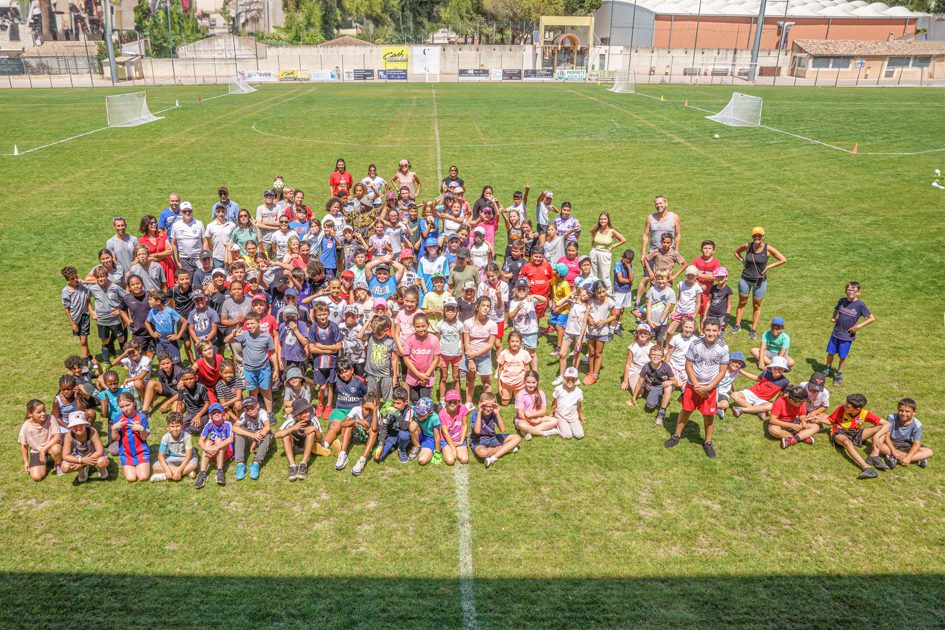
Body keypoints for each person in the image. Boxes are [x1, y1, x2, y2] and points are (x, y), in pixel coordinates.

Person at [664, 317, 729, 459]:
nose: (710, 333)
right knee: (686, 410)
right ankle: (676, 436)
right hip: (693, 385)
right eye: (708, 330)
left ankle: (708, 442)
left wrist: (709, 387)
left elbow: (723, 371)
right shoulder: (695, 344)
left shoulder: (723, 347)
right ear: (703, 330)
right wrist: (696, 385)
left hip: (711, 388)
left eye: (714, 330)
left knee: (708, 415)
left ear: (719, 332)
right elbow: (688, 365)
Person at [732, 226, 788, 339]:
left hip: (759, 281)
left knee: (756, 305)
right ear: (752, 236)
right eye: (754, 235)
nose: (757, 237)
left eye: (759, 235)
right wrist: (742, 260)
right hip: (745, 279)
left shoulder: (768, 248)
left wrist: (769, 267)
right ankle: (737, 325)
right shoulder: (747, 246)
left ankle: (753, 329)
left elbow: (783, 259)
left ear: (763, 236)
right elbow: (736, 252)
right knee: (742, 302)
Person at [823, 393, 890, 479]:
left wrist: (876, 437)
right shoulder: (841, 408)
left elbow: (887, 424)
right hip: (839, 432)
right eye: (846, 404)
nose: (845, 406)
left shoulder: (865, 413)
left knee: (881, 428)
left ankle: (874, 456)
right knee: (847, 442)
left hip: (855, 433)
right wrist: (819, 419)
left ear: (858, 409)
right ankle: (867, 468)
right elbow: (831, 420)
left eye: (848, 406)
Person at [824, 281, 875, 387]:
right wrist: (834, 317)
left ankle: (838, 375)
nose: (850, 291)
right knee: (830, 352)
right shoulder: (842, 300)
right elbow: (836, 309)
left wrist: (858, 327)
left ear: (859, 292)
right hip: (836, 333)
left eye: (853, 290)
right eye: (848, 289)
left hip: (847, 336)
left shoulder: (860, 305)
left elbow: (872, 318)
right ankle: (827, 369)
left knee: (842, 356)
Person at [226, 312, 279, 414]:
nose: (250, 326)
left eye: (252, 323)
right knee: (252, 391)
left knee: (266, 391)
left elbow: (273, 353)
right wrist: (232, 335)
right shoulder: (243, 335)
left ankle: (269, 412)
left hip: (264, 369)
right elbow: (226, 340)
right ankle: (255, 411)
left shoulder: (267, 336)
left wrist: (276, 370)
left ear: (259, 322)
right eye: (248, 324)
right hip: (249, 370)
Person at [275, 398, 329, 481]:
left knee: (311, 433)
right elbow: (276, 435)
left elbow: (320, 439)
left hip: (307, 446)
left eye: (308, 411)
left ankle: (303, 464)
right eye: (304, 412)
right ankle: (292, 465)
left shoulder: (313, 419)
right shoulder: (292, 420)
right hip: (294, 446)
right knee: (285, 436)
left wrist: (315, 429)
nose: (308, 414)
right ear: (297, 414)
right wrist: (293, 428)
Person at [88, 264, 128, 365]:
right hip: (101, 320)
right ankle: (106, 362)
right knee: (104, 340)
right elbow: (87, 300)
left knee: (121, 338)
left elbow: (127, 298)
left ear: (106, 276)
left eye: (102, 276)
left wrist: (119, 310)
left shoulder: (114, 287)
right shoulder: (93, 289)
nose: (101, 279)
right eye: (98, 277)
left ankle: (124, 361)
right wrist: (92, 312)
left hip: (115, 319)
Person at [730, 355, 791, 419]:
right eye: (775, 367)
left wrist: (776, 407)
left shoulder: (785, 382)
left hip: (762, 400)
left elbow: (780, 396)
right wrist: (742, 372)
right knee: (734, 395)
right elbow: (757, 378)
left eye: (780, 368)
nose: (777, 370)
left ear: (784, 369)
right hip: (751, 393)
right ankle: (758, 410)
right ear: (772, 367)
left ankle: (742, 409)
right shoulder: (766, 372)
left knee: (771, 406)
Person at [462, 296, 498, 406]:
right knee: (470, 379)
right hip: (470, 355)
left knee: (486, 381)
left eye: (488, 306)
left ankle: (489, 402)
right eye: (483, 305)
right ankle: (469, 402)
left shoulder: (492, 324)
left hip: (484, 357)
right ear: (477, 307)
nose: (486, 308)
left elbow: (490, 344)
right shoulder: (468, 323)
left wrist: (476, 354)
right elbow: (466, 342)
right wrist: (471, 359)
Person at [19, 400, 65, 481]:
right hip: (37, 450)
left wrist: (43, 450)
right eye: (39, 412)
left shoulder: (51, 418)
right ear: (30, 414)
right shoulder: (25, 427)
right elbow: (24, 446)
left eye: (44, 410)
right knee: (36, 477)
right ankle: (46, 461)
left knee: (56, 449)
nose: (43, 413)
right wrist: (26, 461)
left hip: (51, 446)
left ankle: (58, 464)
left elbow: (57, 437)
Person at [470, 392, 521, 467]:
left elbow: (502, 429)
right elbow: (477, 431)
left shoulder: (493, 413)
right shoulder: (476, 414)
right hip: (479, 440)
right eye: (485, 406)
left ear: (495, 406)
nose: (488, 409)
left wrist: (497, 414)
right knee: (482, 453)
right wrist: (480, 413)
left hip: (492, 437)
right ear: (480, 404)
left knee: (517, 437)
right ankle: (506, 449)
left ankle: (493, 458)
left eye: (491, 406)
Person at [880, 398, 932, 469]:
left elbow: (917, 443)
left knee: (929, 452)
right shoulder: (891, 418)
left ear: (914, 412)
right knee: (879, 445)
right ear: (898, 409)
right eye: (901, 411)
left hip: (906, 444)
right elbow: (887, 436)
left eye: (907, 411)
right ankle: (917, 459)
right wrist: (893, 450)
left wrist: (908, 457)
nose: (903, 414)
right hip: (890, 443)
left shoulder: (917, 424)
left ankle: (895, 458)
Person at [111, 392, 151, 482]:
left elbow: (144, 438)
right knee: (131, 478)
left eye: (128, 405)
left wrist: (141, 429)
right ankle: (136, 465)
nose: (125, 409)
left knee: (143, 477)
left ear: (134, 402)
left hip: (141, 452)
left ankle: (142, 464)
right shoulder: (118, 418)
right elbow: (116, 439)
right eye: (122, 407)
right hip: (126, 453)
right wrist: (114, 429)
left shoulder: (142, 417)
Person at [630, 345, 675, 425]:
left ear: (662, 356)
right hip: (654, 386)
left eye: (658, 355)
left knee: (668, 388)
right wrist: (634, 398)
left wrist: (670, 382)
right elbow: (640, 382)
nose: (655, 357)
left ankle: (661, 412)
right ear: (649, 356)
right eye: (653, 355)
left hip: (664, 386)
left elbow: (675, 381)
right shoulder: (646, 367)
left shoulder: (666, 367)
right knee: (649, 406)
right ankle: (661, 398)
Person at [60, 411, 109, 483]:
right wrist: (81, 460)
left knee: (102, 462)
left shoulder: (92, 431)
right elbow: (65, 456)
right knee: (65, 468)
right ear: (70, 427)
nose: (78, 427)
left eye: (81, 424)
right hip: (79, 456)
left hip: (94, 454)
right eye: (75, 425)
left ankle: (101, 468)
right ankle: (81, 470)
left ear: (85, 424)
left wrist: (83, 463)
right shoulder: (68, 436)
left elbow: (100, 451)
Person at [584, 281, 617, 386]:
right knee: (591, 352)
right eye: (599, 293)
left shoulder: (609, 302)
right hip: (590, 331)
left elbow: (614, 316)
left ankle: (595, 374)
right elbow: (586, 313)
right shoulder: (591, 301)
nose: (602, 294)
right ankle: (590, 371)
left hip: (602, 332)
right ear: (594, 293)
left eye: (603, 291)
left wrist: (604, 321)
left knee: (598, 353)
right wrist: (589, 319)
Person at [402, 312, 441, 402]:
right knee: (414, 398)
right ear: (414, 326)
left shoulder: (433, 340)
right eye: (417, 327)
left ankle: (426, 416)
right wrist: (418, 374)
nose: (420, 329)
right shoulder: (409, 339)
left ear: (428, 325)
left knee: (425, 399)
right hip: (413, 375)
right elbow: (406, 359)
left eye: (423, 326)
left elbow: (436, 359)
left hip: (427, 377)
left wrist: (426, 374)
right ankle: (415, 415)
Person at [195, 403, 234, 488]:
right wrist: (206, 448)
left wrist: (216, 447)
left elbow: (230, 439)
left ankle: (220, 471)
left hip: (225, 452)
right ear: (210, 416)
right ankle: (202, 473)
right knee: (208, 442)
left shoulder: (228, 424)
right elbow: (201, 440)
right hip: (212, 453)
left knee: (218, 440)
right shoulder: (209, 425)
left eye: (219, 412)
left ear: (223, 413)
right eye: (213, 413)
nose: (216, 414)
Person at [61, 266, 93, 370]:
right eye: (72, 279)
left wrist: (91, 312)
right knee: (83, 341)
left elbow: (88, 300)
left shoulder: (83, 286)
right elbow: (66, 308)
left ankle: (84, 366)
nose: (75, 280)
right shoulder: (66, 291)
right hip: (75, 318)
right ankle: (90, 358)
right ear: (67, 280)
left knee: (83, 341)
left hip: (84, 316)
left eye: (76, 277)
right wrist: (73, 324)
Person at [151, 412, 198, 482]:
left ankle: (165, 476)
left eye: (177, 426)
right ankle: (186, 472)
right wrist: (167, 470)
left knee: (193, 466)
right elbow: (160, 456)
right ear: (168, 428)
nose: (175, 429)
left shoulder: (187, 436)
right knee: (155, 466)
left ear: (182, 426)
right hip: (172, 457)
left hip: (187, 458)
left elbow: (188, 456)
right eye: (172, 426)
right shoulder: (165, 437)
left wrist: (179, 471)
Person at [664, 266, 703, 346]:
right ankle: (667, 347)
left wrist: (694, 315)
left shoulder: (697, 288)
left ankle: (687, 348)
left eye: (693, 275)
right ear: (686, 275)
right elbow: (678, 298)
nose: (690, 277)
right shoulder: (681, 284)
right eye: (688, 275)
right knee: (669, 331)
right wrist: (674, 311)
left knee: (687, 333)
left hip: (689, 313)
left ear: (696, 276)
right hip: (679, 311)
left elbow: (698, 303)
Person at [145, 289, 186, 364]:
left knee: (176, 362)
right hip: (160, 341)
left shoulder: (170, 311)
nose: (148, 301)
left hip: (170, 341)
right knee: (162, 362)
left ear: (158, 301)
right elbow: (147, 322)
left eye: (150, 300)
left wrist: (178, 336)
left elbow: (184, 322)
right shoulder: (152, 311)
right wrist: (152, 333)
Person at [588, 212, 626, 292]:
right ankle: (594, 292)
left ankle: (609, 295)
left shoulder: (612, 231)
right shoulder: (597, 228)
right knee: (593, 275)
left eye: (604, 219)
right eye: (601, 219)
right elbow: (591, 232)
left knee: (605, 276)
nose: (602, 221)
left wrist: (613, 246)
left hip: (605, 254)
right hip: (594, 252)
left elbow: (623, 240)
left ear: (608, 220)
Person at [139, 214, 177, 288]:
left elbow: (169, 252)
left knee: (171, 291)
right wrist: (163, 254)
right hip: (154, 268)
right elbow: (145, 258)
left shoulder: (162, 234)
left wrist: (154, 255)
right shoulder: (142, 240)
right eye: (151, 223)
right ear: (146, 225)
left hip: (167, 266)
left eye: (155, 222)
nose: (154, 224)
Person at [496, 331, 532, 406]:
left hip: (520, 384)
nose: (514, 343)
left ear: (521, 342)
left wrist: (528, 384)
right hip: (506, 383)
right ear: (508, 342)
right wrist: (499, 386)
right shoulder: (503, 353)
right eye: (512, 341)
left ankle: (516, 394)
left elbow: (528, 370)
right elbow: (500, 370)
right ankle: (509, 394)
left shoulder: (525, 354)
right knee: (504, 403)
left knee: (521, 404)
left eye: (517, 341)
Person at [620, 324, 656, 397]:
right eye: (641, 333)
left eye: (645, 333)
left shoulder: (652, 347)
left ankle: (646, 384)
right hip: (635, 372)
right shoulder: (632, 348)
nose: (643, 335)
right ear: (637, 334)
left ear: (649, 335)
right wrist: (625, 381)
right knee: (639, 394)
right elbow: (628, 364)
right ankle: (642, 384)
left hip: (648, 372)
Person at [551, 367, 586, 440]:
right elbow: (554, 403)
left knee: (579, 435)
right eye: (568, 379)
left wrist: (581, 415)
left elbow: (579, 406)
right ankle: (557, 428)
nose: (570, 381)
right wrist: (551, 414)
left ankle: (567, 426)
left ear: (576, 379)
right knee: (568, 436)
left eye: (572, 379)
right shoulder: (558, 389)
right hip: (561, 416)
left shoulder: (578, 392)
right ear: (564, 378)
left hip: (573, 417)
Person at [170, 202, 205, 274]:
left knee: (200, 278)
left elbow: (205, 241)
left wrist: (204, 257)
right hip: (183, 259)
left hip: (198, 258)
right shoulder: (176, 225)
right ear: (180, 212)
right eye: (184, 211)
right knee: (186, 281)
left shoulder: (199, 224)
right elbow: (173, 244)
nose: (187, 213)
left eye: (189, 211)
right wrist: (176, 261)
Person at [691, 240, 720, 325]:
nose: (707, 250)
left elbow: (715, 277)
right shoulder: (696, 261)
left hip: (707, 293)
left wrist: (699, 274)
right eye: (705, 248)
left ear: (713, 251)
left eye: (709, 248)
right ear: (701, 249)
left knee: (704, 313)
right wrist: (699, 284)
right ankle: (688, 328)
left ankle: (701, 332)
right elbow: (691, 275)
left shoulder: (715, 262)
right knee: (692, 311)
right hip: (695, 291)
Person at [439, 389, 471, 465]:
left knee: (464, 459)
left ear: (459, 402)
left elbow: (465, 425)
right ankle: (448, 448)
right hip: (446, 440)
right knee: (450, 461)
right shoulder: (442, 413)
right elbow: (445, 432)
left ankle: (458, 448)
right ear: (446, 402)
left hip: (459, 438)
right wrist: (453, 448)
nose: (452, 404)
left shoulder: (462, 408)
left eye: (455, 402)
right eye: (450, 402)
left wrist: (461, 441)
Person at [175, 368, 211, 435]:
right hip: (190, 412)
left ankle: (207, 422)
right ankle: (187, 427)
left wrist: (198, 416)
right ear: (182, 380)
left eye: (191, 378)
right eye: (186, 379)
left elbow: (207, 404)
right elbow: (179, 403)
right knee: (179, 426)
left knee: (195, 429)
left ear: (195, 378)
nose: (189, 381)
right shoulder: (182, 388)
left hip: (202, 412)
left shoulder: (201, 387)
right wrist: (179, 416)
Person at [406, 397, 441, 465]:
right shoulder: (415, 412)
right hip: (420, 433)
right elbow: (406, 405)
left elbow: (437, 436)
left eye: (422, 413)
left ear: (430, 412)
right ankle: (417, 446)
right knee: (412, 425)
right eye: (418, 412)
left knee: (422, 460)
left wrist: (437, 451)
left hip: (430, 439)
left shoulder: (435, 418)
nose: (418, 415)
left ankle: (425, 448)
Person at [612, 250, 635, 337]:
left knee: (621, 311)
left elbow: (632, 278)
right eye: (626, 261)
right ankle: (611, 330)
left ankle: (617, 328)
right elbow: (620, 279)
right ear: (622, 256)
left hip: (627, 291)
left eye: (629, 262)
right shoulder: (618, 265)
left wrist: (629, 268)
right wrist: (629, 281)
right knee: (616, 312)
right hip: (619, 291)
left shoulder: (630, 265)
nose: (627, 263)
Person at [706, 267, 732, 332]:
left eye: (722, 277)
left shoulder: (728, 290)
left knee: (720, 332)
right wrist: (705, 314)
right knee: (710, 331)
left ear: (726, 277)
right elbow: (709, 301)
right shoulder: (713, 288)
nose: (720, 278)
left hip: (721, 316)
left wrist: (726, 318)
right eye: (718, 276)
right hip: (710, 314)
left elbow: (729, 306)